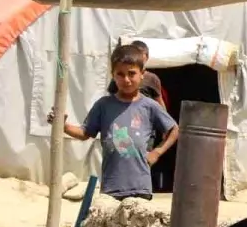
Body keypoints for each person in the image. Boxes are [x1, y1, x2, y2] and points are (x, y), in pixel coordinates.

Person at [48, 44, 179, 200]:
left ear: (142, 74)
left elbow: (174, 129)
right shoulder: (104, 105)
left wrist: (156, 152)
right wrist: (63, 126)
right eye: (120, 74)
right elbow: (84, 133)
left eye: (132, 73)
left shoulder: (149, 106)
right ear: (113, 75)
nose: (126, 79)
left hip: (140, 187)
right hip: (112, 186)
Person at [129, 40, 170, 112]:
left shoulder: (152, 78)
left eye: (140, 53)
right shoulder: (120, 76)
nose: (137, 57)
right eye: (134, 53)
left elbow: (159, 102)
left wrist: (166, 120)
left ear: (147, 57)